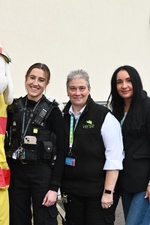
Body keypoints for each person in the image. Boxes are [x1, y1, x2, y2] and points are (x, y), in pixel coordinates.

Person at [5, 62, 66, 225]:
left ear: (46, 84)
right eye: (32, 78)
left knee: (45, 220)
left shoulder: (53, 111)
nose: (35, 83)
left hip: (42, 174)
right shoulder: (14, 107)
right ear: (26, 79)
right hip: (17, 173)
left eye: (41, 80)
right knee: (17, 219)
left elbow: (61, 151)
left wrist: (54, 187)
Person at [61, 69, 124, 225]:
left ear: (89, 89)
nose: (77, 93)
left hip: (98, 194)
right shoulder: (62, 116)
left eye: (82, 88)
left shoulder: (104, 116)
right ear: (67, 91)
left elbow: (114, 157)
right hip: (72, 193)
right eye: (73, 88)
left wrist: (108, 192)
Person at [107, 65, 150, 225]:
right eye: (119, 82)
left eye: (128, 80)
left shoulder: (147, 106)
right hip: (125, 183)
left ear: (136, 82)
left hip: (144, 184)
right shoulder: (115, 112)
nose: (124, 86)